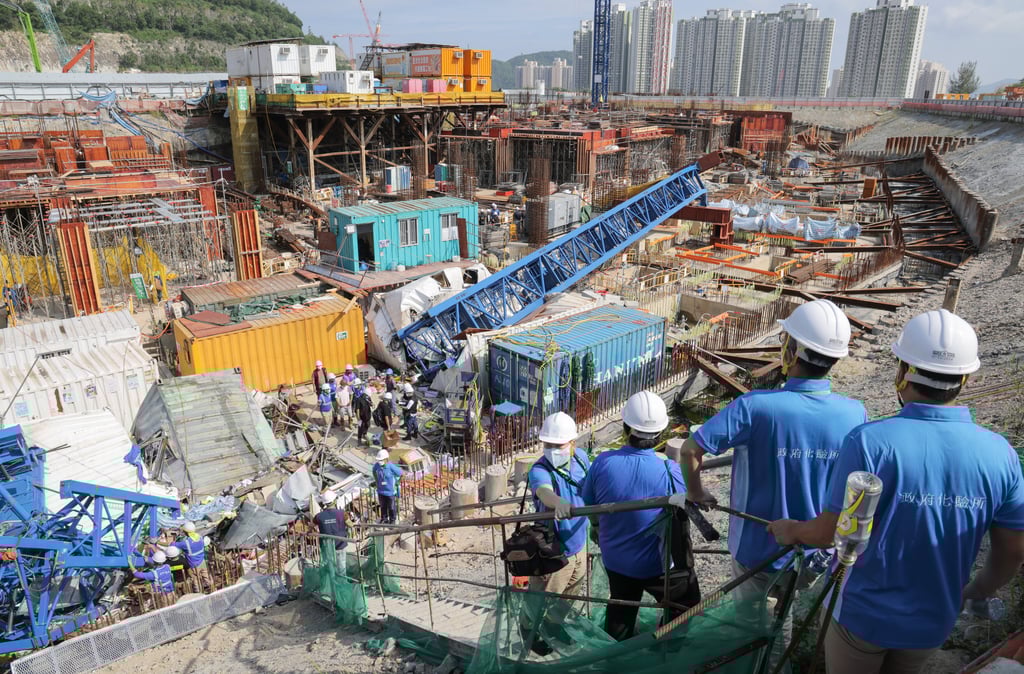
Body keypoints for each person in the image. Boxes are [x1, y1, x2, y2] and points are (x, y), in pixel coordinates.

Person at [768, 309, 1024, 674]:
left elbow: (829, 532)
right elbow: (1012, 551)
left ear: (903, 372)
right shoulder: (1001, 454)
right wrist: (974, 592)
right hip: (933, 620)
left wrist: (791, 530)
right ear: (964, 378)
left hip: (862, 615)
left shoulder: (869, 442)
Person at [675, 298, 866, 666]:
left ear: (791, 351)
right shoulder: (854, 413)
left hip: (758, 547)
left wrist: (696, 492)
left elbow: (690, 451)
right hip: (816, 547)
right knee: (784, 615)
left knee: (754, 633)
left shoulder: (755, 406)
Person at [581, 390, 700, 641]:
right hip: (656, 565)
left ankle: (616, 650)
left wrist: (596, 527)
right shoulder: (669, 470)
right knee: (685, 602)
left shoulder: (602, 462)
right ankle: (667, 644)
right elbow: (691, 504)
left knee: (622, 605)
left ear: (626, 427)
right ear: (661, 431)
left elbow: (589, 502)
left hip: (616, 560)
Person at [521, 412, 591, 655]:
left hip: (579, 541)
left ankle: (553, 626)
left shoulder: (582, 459)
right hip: (553, 548)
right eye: (547, 444)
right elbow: (543, 491)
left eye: (557, 445)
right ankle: (529, 631)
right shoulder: (540, 469)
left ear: (572, 443)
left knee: (571, 593)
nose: (552, 450)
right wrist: (558, 502)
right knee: (543, 595)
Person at [314, 490, 349, 575]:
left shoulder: (319, 516)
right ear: (334, 501)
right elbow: (350, 524)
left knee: (330, 568)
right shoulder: (342, 513)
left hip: (326, 547)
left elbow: (311, 525)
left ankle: (332, 580)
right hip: (340, 545)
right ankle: (342, 581)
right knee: (341, 567)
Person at [177, 521, 213, 592]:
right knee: (206, 575)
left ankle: (198, 591)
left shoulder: (186, 543)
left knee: (195, 579)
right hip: (202, 562)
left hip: (193, 565)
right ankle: (211, 587)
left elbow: (174, 545)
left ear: (186, 532)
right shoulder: (200, 537)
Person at [373, 449, 403, 524]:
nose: (379, 461)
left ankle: (392, 520)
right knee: (383, 506)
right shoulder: (377, 465)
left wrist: (397, 483)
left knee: (391, 507)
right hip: (381, 491)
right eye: (379, 460)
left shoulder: (391, 466)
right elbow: (373, 471)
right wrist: (377, 481)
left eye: (381, 460)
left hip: (390, 492)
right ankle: (384, 519)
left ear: (386, 459)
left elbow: (401, 474)